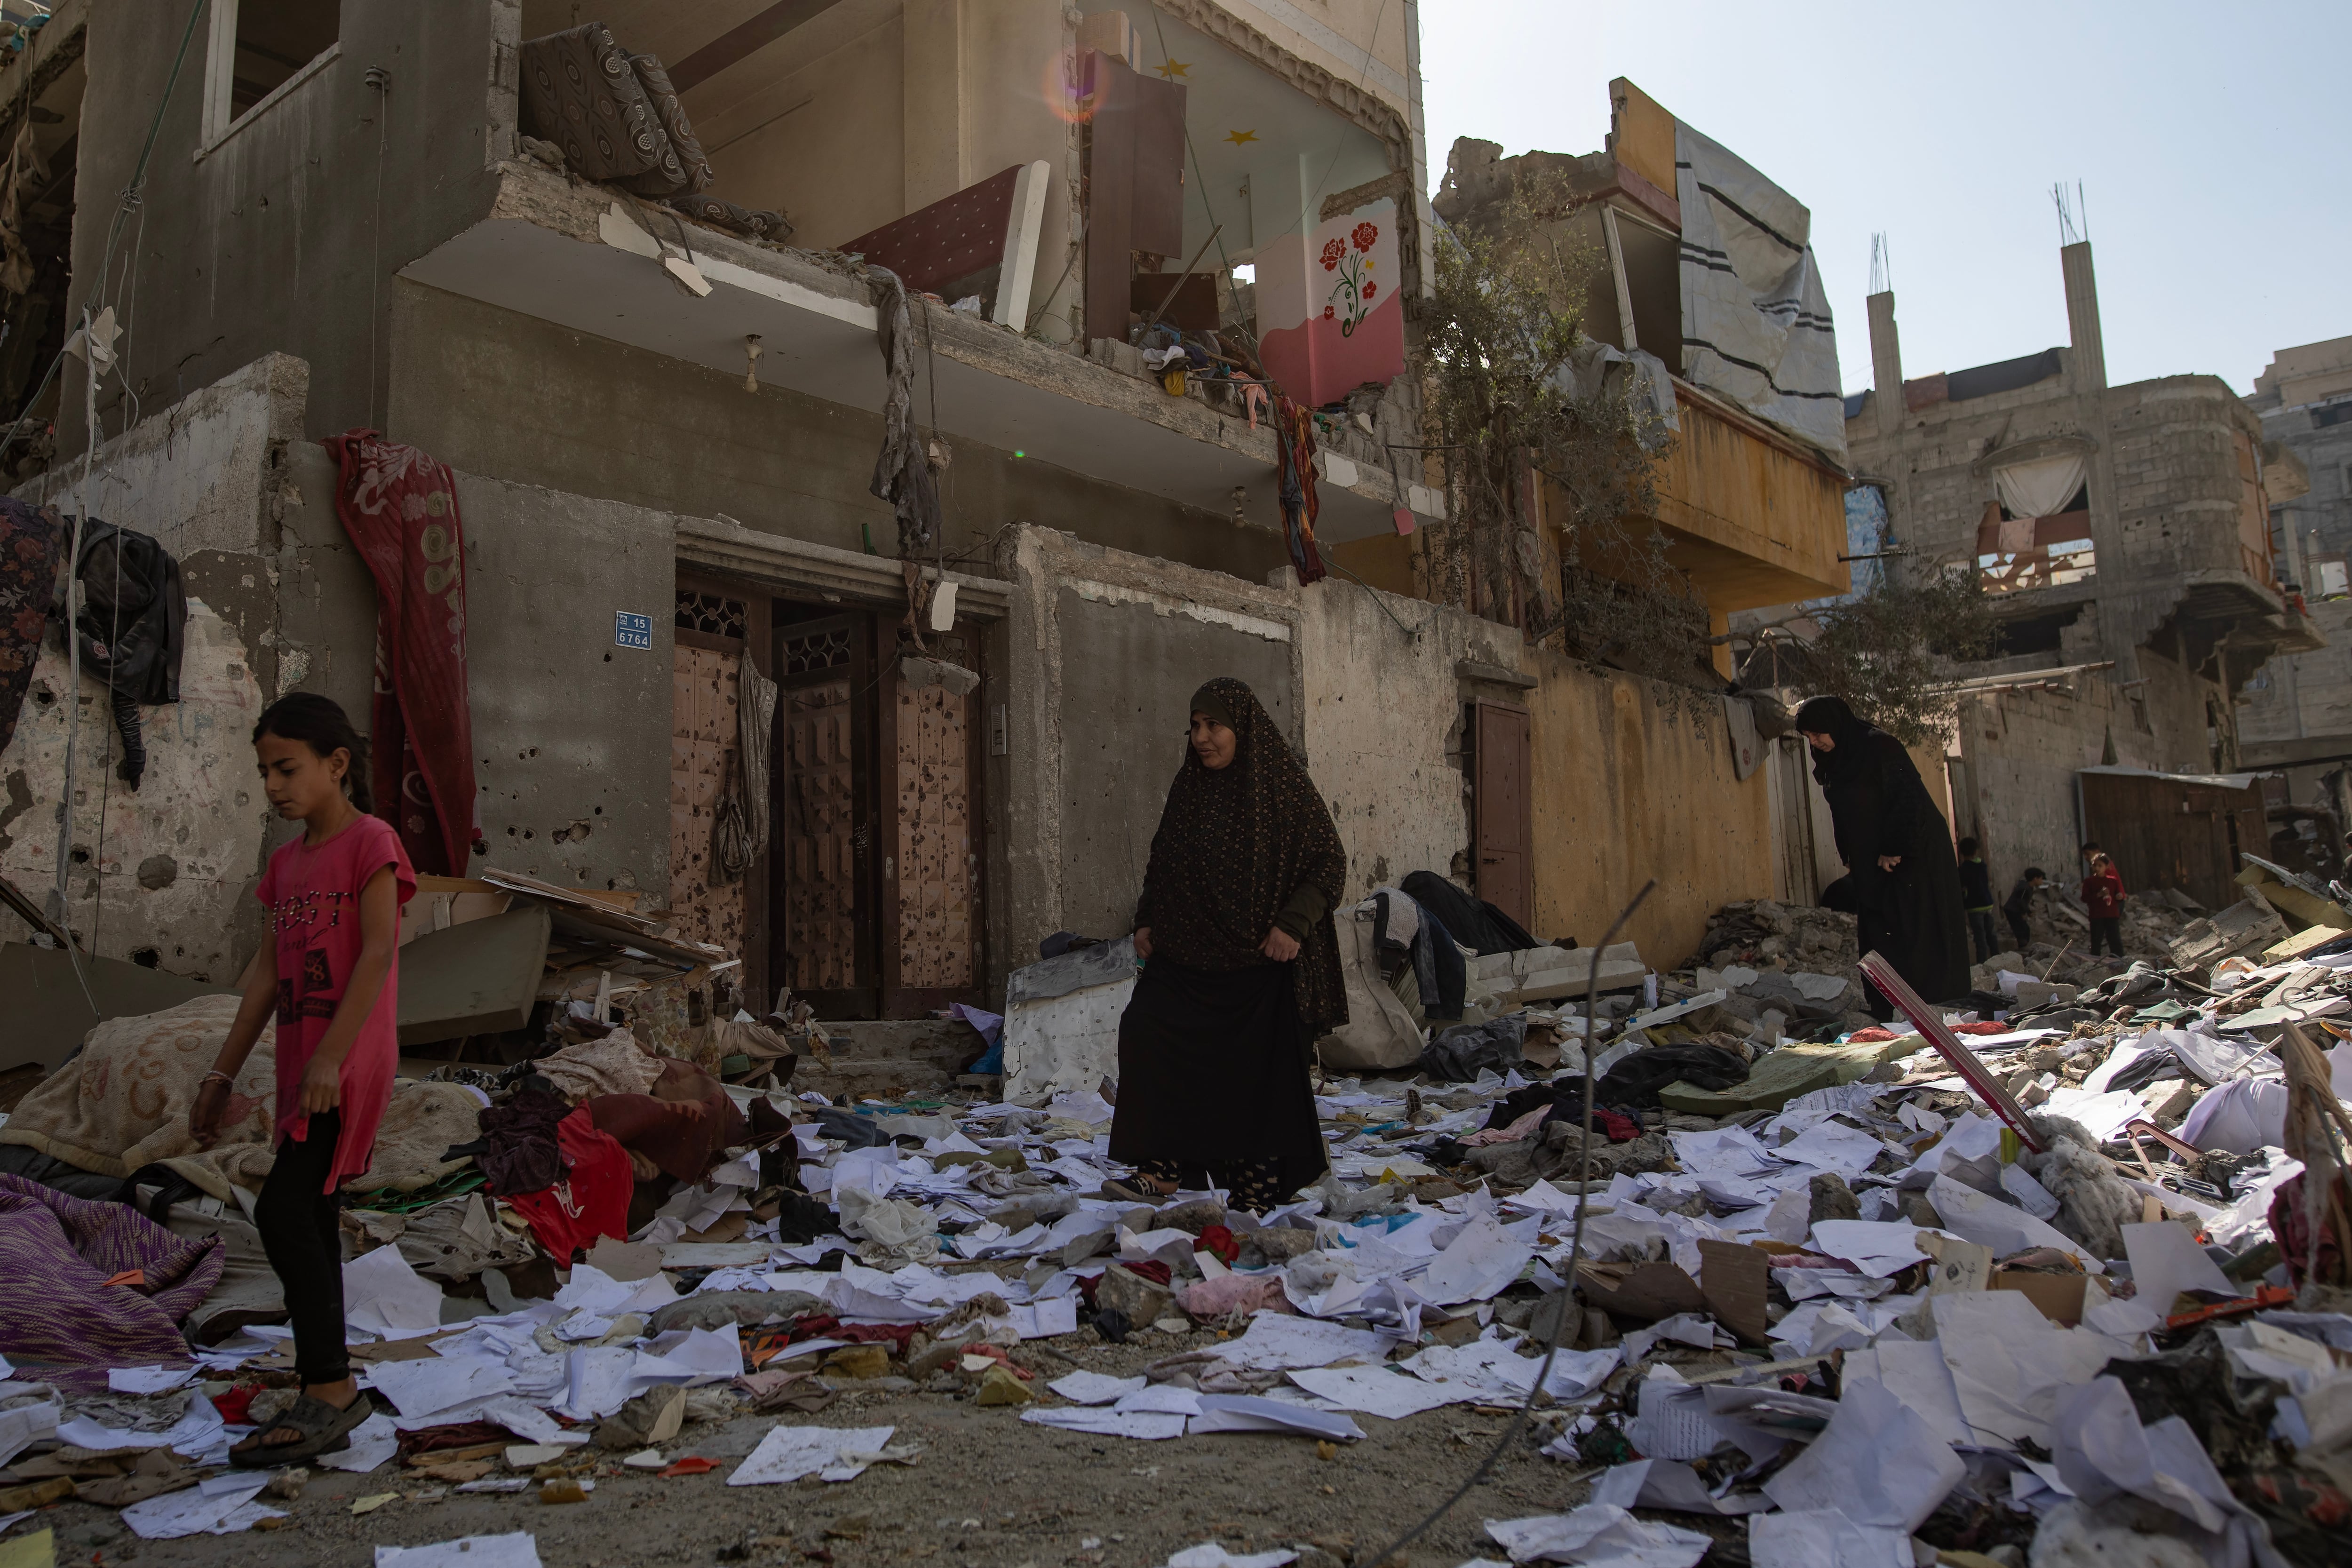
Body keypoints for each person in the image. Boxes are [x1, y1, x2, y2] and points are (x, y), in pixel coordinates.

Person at [191, 693, 415, 1467]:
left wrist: (334, 1057)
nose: (276, 785)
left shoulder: (371, 843)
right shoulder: (286, 865)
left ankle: (330, 1384)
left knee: (287, 1206)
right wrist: (222, 1070)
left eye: (288, 768)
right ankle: (326, 1374)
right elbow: (262, 975)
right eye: (265, 772)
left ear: (337, 763)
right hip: (299, 1057)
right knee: (311, 1212)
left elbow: (380, 951)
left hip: (345, 1060)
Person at [1104, 677, 1346, 1212]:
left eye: (1213, 725)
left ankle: (1255, 1188)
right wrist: (1147, 919)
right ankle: (1161, 1167)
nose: (1201, 738)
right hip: (1186, 957)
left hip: (1257, 964)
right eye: (1194, 726)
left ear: (1243, 729)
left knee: (1254, 1075)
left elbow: (1328, 862)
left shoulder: (1280, 787)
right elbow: (1161, 861)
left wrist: (1293, 924)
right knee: (1145, 1028)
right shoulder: (1190, 787)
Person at [1794, 695, 1971, 1015]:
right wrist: (1848, 852)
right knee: (1879, 928)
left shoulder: (1879, 747)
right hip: (1871, 860)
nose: (1814, 742)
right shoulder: (1835, 761)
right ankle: (1887, 1007)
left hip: (1912, 854)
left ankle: (1934, 1006)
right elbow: (1841, 810)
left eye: (1818, 733)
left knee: (1917, 926)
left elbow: (1908, 798)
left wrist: (1894, 847)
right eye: (1808, 737)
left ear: (1835, 725)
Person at [1956, 836, 1997, 963]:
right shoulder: (1982, 865)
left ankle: (1982, 963)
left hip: (1974, 907)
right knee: (1991, 934)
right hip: (1987, 904)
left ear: (1962, 853)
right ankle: (1998, 959)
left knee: (1980, 937)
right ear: (1976, 851)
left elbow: (1962, 886)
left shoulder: (1963, 869)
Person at [2083, 851, 2126, 958]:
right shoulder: (2089, 882)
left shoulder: (2113, 881)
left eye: (2100, 866)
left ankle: (2118, 960)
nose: (2097, 868)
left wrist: (2119, 897)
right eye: (2095, 865)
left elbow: (2117, 897)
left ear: (2107, 867)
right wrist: (2099, 895)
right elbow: (2085, 898)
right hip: (2097, 915)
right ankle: (2095, 960)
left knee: (2114, 939)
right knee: (2096, 940)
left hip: (2111, 914)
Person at [2003, 867, 2047, 951]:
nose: (2042, 882)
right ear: (2035, 879)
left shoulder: (2028, 887)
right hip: (2012, 910)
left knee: (2023, 928)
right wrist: (2025, 912)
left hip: (2015, 910)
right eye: (2041, 879)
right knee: (2021, 929)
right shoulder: (2025, 888)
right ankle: (2022, 947)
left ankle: (2023, 946)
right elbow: (2021, 901)